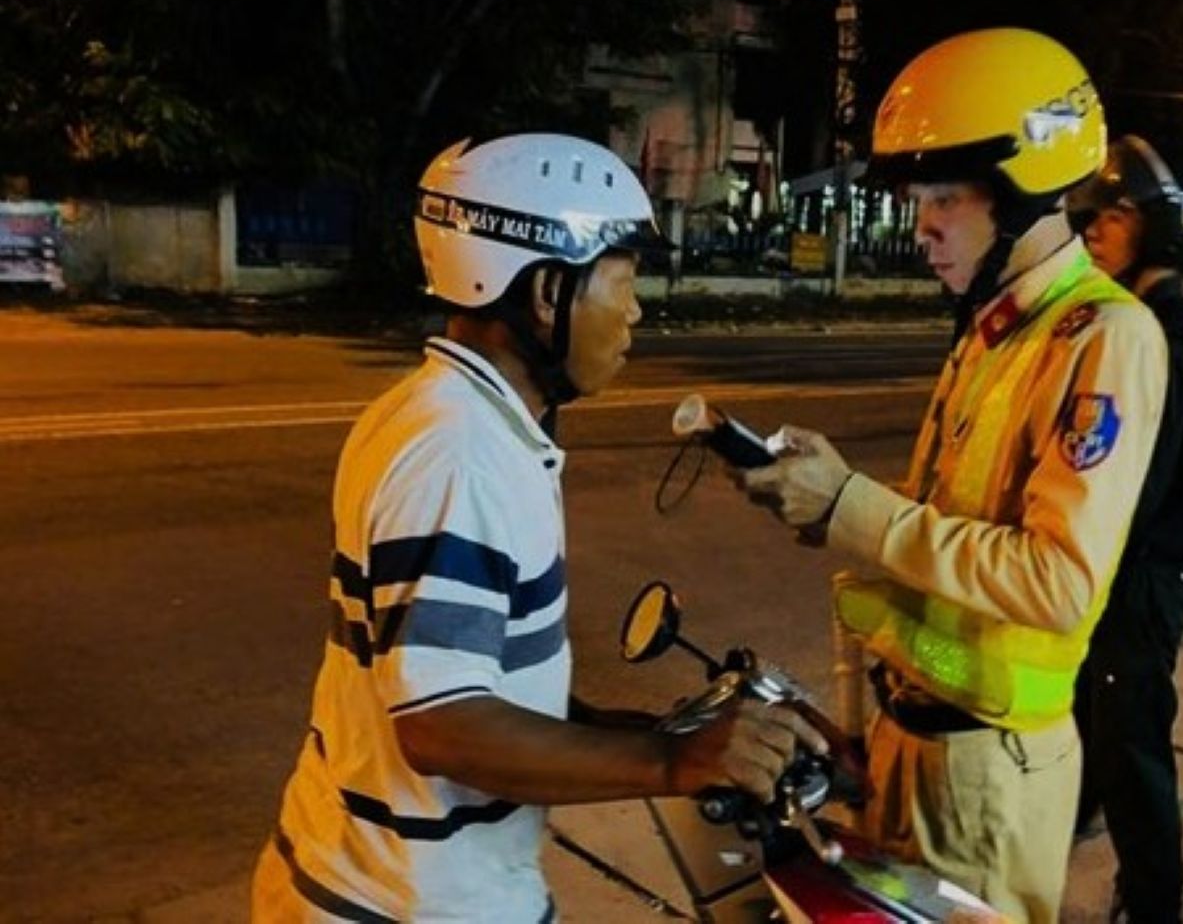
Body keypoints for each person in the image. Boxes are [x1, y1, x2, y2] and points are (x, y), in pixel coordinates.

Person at [251, 133, 825, 922]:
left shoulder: (447, 416)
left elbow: (467, 676)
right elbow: (445, 725)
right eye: (621, 281)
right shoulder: (461, 453)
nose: (634, 309)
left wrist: (629, 731)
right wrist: (669, 759)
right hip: (409, 905)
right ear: (549, 293)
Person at [733, 30, 1168, 923]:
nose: (920, 225)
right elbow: (939, 534)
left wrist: (854, 506)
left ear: (1019, 192)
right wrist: (831, 506)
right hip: (909, 742)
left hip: (987, 772)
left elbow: (1057, 580)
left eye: (942, 197)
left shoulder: (1103, 337)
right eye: (915, 199)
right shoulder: (993, 324)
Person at [1068, 134, 1183, 923]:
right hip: (1140, 566)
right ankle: (1032, 854)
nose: (1094, 221)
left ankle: (1152, 905)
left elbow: (1135, 484)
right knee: (1085, 728)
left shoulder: (1165, 334)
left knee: (1128, 743)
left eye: (1120, 209)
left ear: (1162, 227)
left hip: (1148, 571)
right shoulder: (1150, 318)